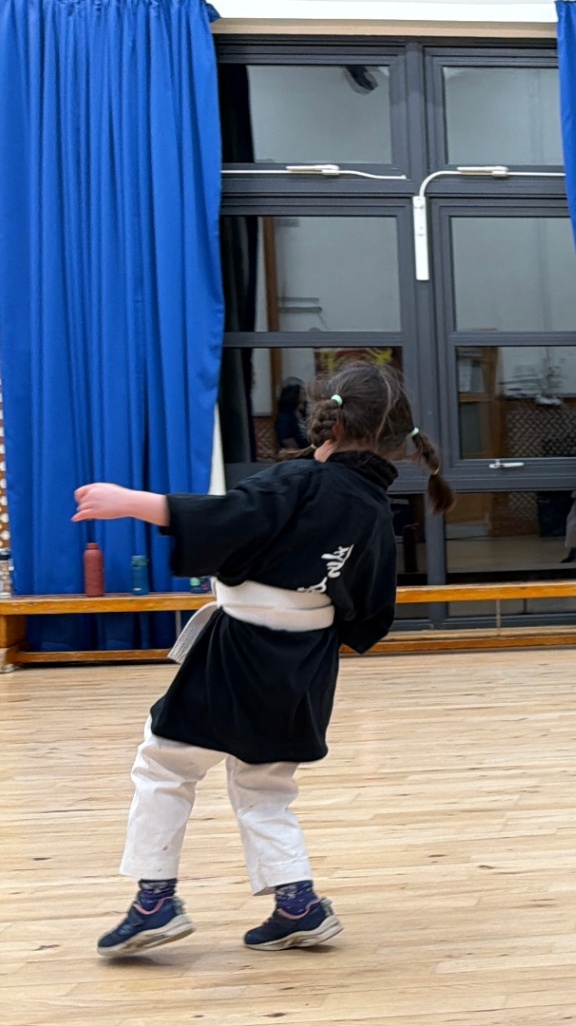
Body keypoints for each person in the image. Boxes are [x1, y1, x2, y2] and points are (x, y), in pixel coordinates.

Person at [77, 361, 454, 957]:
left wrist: (130, 502)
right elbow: (371, 614)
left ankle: (154, 902)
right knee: (265, 782)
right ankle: (296, 904)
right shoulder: (374, 511)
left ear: (324, 424)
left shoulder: (299, 482)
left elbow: (226, 520)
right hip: (304, 663)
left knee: (165, 763)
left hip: (241, 651)